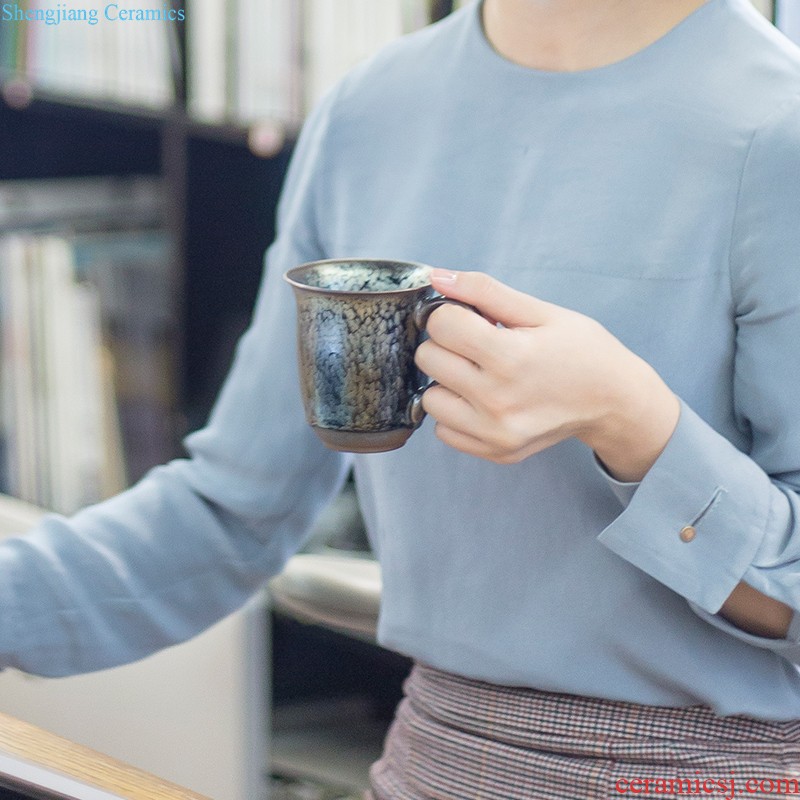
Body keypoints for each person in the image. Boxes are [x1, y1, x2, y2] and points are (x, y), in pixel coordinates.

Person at [2, 0, 800, 796]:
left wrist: (630, 418)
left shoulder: (777, 127)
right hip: (432, 765)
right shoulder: (369, 109)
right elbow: (231, 514)